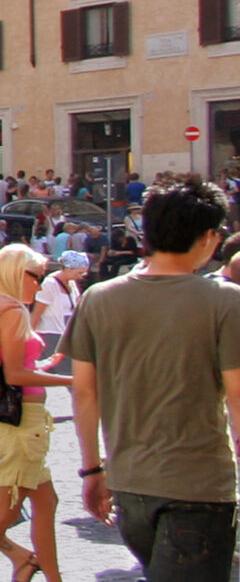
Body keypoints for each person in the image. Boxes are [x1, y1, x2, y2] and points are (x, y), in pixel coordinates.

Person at [67, 174, 240, 582]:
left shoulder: (98, 297)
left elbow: (85, 395)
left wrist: (93, 470)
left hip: (130, 484)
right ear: (209, 237)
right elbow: (237, 398)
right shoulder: (226, 302)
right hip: (199, 487)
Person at [0, 245, 70, 582]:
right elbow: (16, 375)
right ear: (15, 274)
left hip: (14, 419)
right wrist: (74, 380)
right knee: (4, 510)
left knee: (45, 501)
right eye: (35, 276)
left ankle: (52, 576)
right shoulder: (14, 313)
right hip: (23, 420)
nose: (40, 283)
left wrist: (43, 365)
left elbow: (9, 365)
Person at [32, 250, 86, 378]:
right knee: (69, 374)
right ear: (68, 269)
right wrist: (29, 337)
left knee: (70, 373)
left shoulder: (71, 282)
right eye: (80, 272)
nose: (83, 275)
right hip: (51, 334)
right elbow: (37, 313)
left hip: (66, 333)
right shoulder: (50, 284)